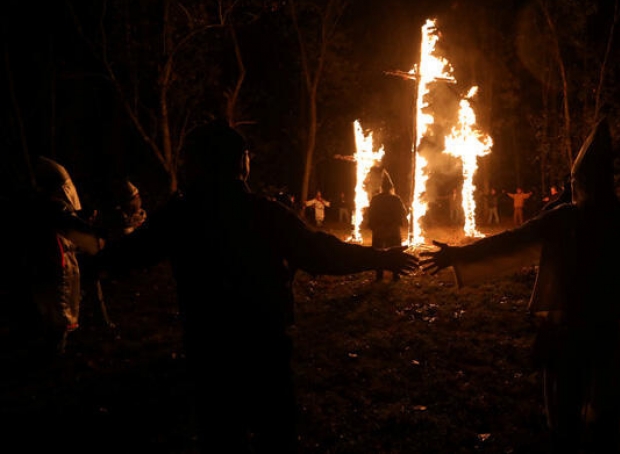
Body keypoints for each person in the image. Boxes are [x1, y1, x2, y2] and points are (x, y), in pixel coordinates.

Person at [94, 120, 419, 453]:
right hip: (263, 344)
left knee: (221, 432)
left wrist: (94, 245)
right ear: (241, 163)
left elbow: (125, 256)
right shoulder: (261, 213)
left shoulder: (180, 216)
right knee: (273, 432)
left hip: (209, 346)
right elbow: (321, 253)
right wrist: (380, 258)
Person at [421, 120, 620, 454]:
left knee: (568, 402)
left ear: (580, 182)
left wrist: (459, 254)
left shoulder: (564, 218)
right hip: (604, 326)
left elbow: (509, 241)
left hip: (570, 325)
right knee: (601, 405)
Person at [3, 156, 100, 365]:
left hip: (43, 266)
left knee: (49, 312)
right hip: (54, 266)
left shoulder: (35, 205)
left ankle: (47, 351)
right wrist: (96, 236)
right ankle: (52, 359)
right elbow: (76, 233)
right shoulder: (53, 208)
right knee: (58, 313)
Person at [367, 173, 408, 282]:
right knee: (395, 252)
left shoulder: (375, 199)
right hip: (392, 230)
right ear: (391, 188)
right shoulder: (395, 199)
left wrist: (373, 226)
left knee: (378, 253)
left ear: (381, 187)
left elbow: (370, 213)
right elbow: (403, 212)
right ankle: (395, 274)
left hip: (379, 230)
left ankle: (379, 275)